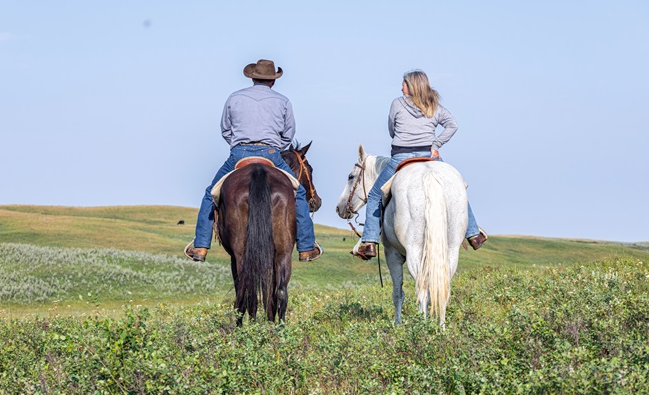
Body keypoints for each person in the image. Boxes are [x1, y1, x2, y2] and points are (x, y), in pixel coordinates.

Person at [185, 59, 323, 263]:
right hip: (271, 153)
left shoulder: (234, 98)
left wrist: (238, 145)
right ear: (273, 81)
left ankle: (201, 246)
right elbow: (288, 134)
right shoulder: (283, 101)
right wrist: (274, 146)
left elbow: (225, 129)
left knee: (210, 193)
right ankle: (306, 247)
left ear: (253, 77)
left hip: (239, 154)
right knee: (299, 193)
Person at [355, 69, 487, 260]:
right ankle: (474, 234)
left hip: (401, 156)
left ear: (412, 85)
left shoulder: (396, 104)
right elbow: (453, 125)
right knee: (457, 188)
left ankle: (369, 241)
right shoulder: (434, 105)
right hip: (429, 156)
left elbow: (392, 129)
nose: (401, 87)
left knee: (375, 194)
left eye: (404, 83)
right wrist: (436, 144)